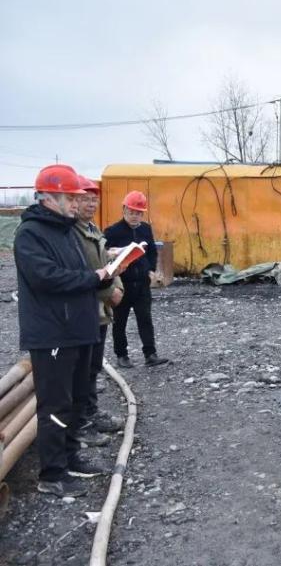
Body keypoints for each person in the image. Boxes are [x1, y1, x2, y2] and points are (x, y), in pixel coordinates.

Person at [14, 165, 111, 497]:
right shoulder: (30, 234)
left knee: (77, 398)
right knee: (55, 405)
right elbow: (47, 278)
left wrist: (106, 276)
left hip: (79, 329)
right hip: (53, 334)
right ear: (49, 198)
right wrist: (93, 278)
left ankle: (70, 457)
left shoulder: (67, 231)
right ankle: (52, 473)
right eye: (70, 198)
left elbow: (80, 273)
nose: (75, 203)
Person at [72, 176, 123, 437]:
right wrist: (110, 291)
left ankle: (90, 412)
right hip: (85, 309)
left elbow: (107, 265)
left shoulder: (93, 229)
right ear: (73, 201)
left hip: (100, 311)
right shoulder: (72, 234)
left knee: (92, 366)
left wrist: (118, 287)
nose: (91, 204)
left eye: (94, 199)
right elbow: (85, 272)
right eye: (85, 199)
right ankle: (81, 420)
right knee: (81, 369)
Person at [104, 190, 169, 367]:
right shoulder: (113, 231)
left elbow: (152, 252)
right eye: (131, 212)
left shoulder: (145, 229)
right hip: (122, 283)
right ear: (124, 210)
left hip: (141, 284)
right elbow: (103, 255)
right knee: (120, 320)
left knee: (145, 319)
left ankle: (150, 354)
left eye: (138, 213)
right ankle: (121, 355)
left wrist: (150, 270)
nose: (134, 216)